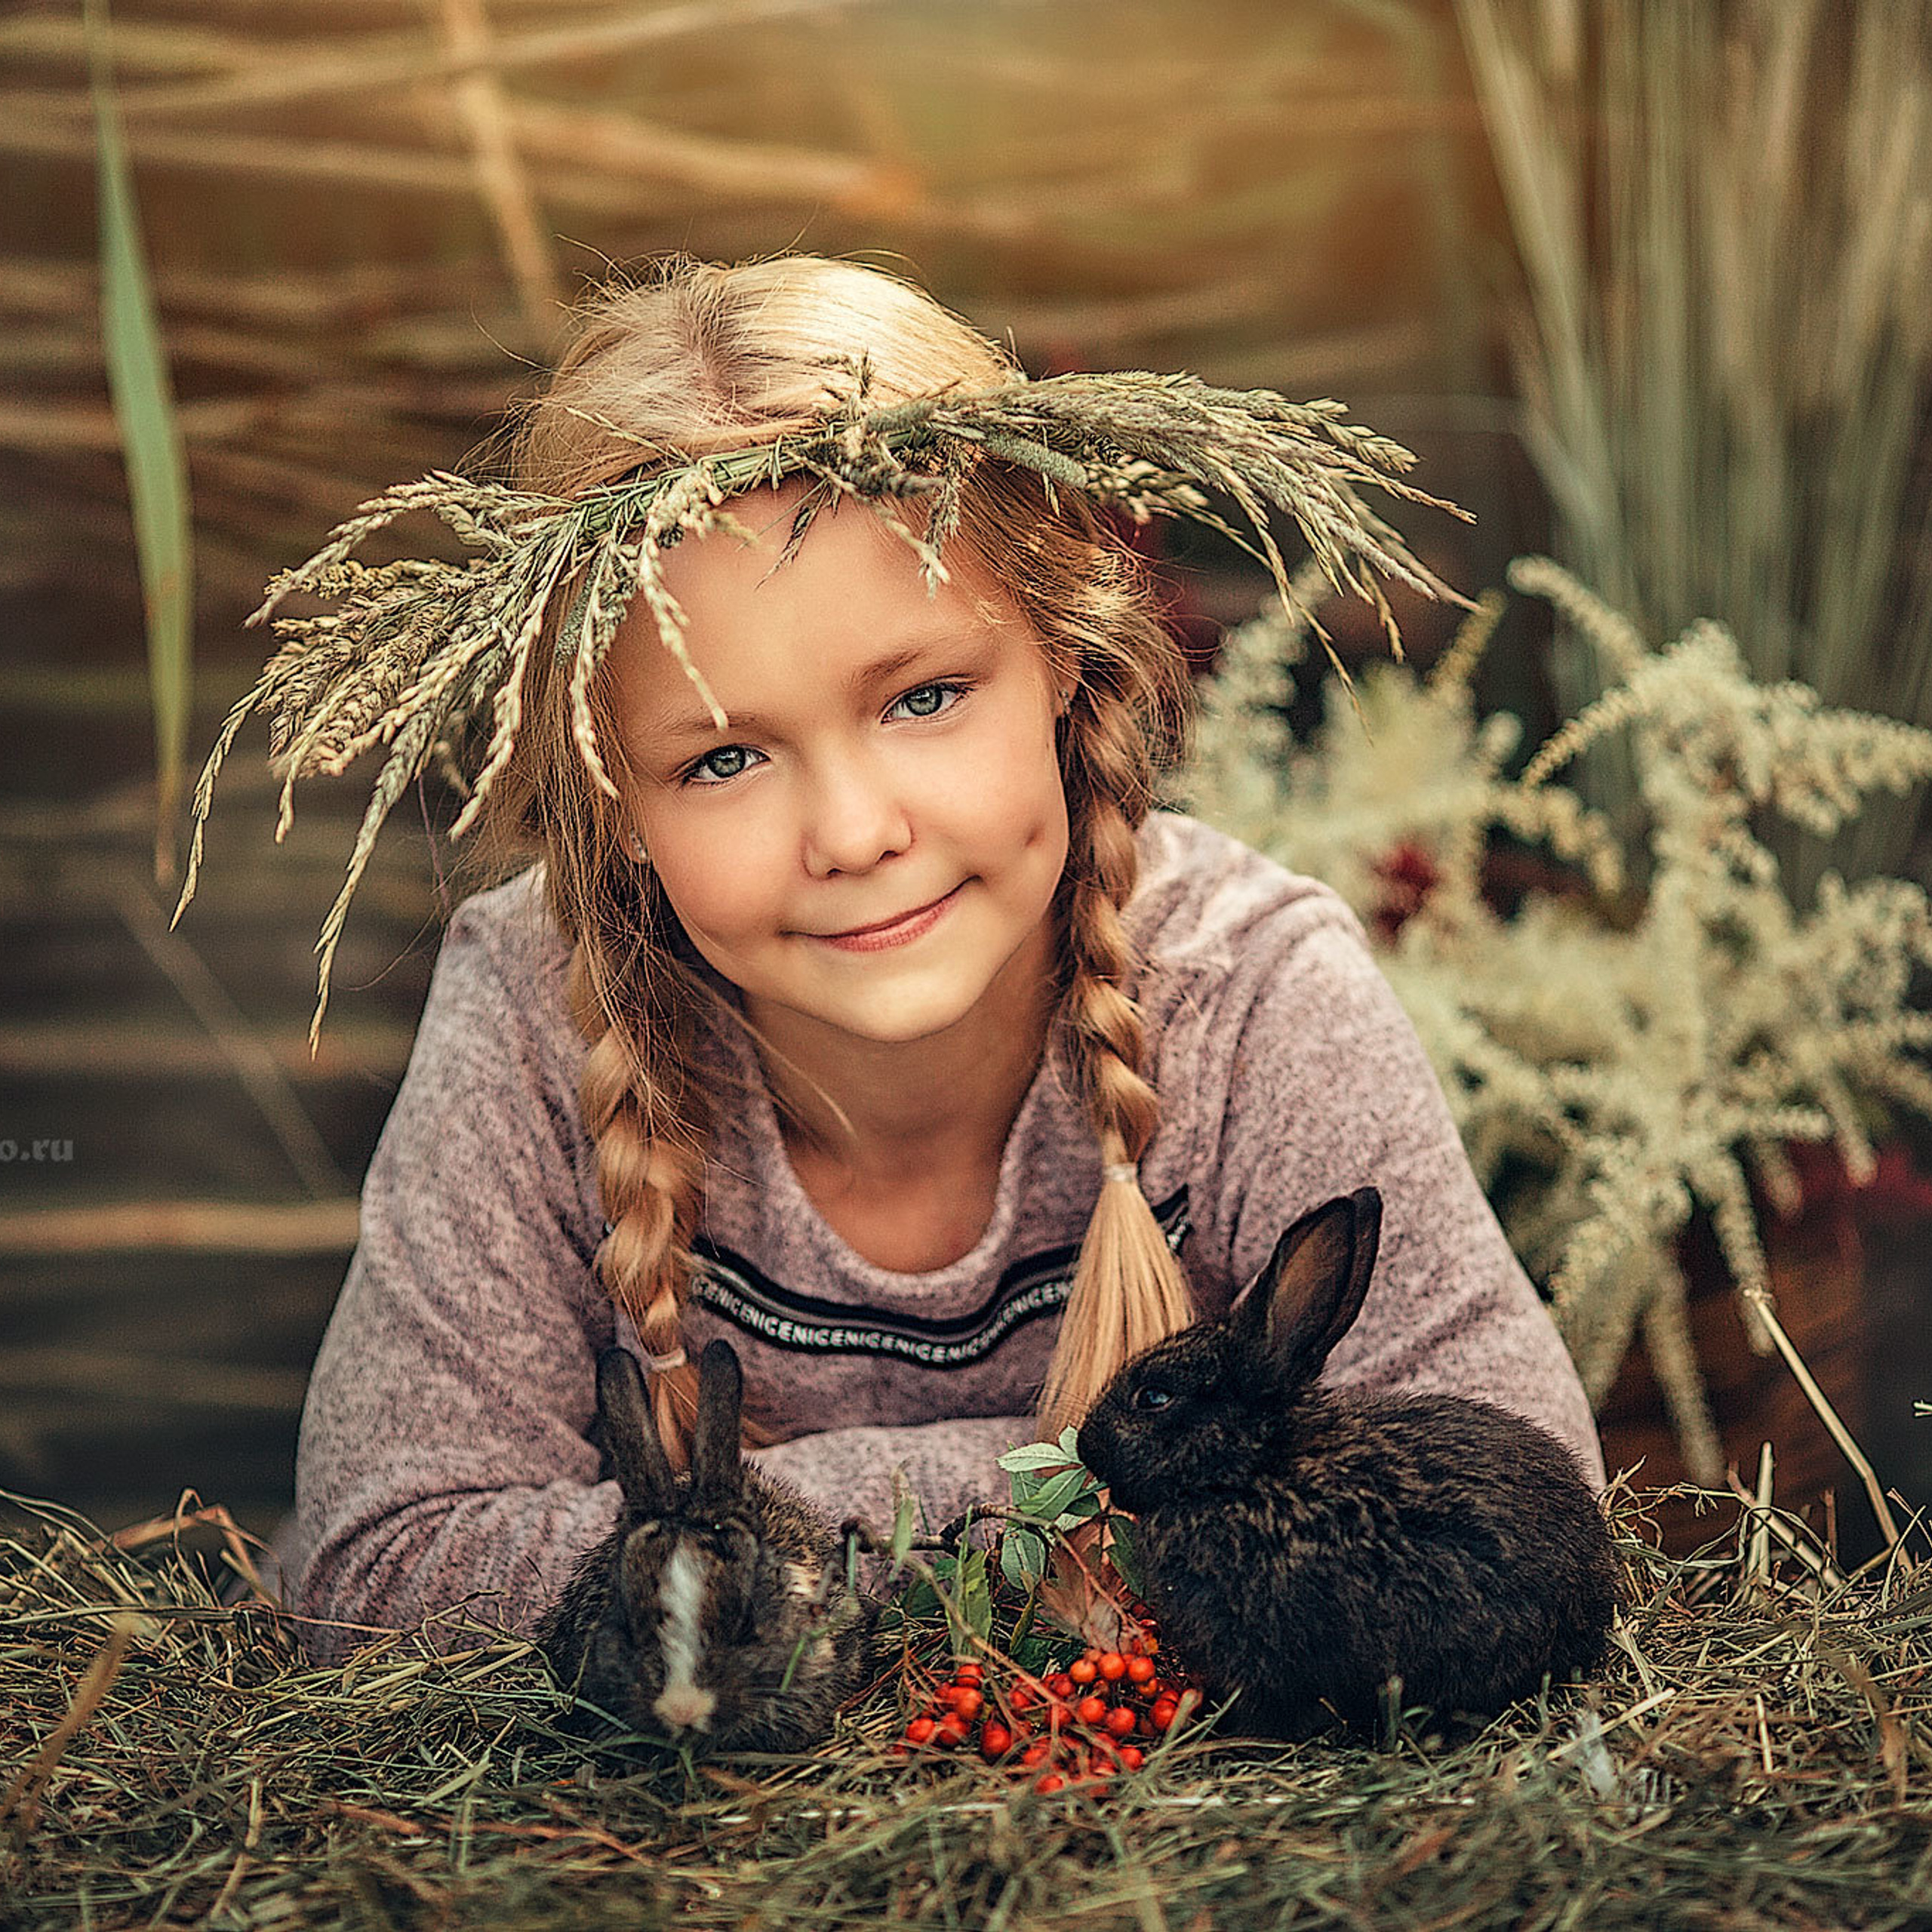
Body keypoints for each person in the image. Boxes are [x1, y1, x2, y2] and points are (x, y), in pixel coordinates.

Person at [194, 254, 1603, 1665]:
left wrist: (729, 1545)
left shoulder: (1250, 993)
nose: (856, 833)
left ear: (1064, 656)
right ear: (610, 799)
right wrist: (1095, 1494)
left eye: (923, 696)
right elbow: (381, 1568)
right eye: (724, 757)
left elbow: (1520, 1500)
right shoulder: (531, 1008)